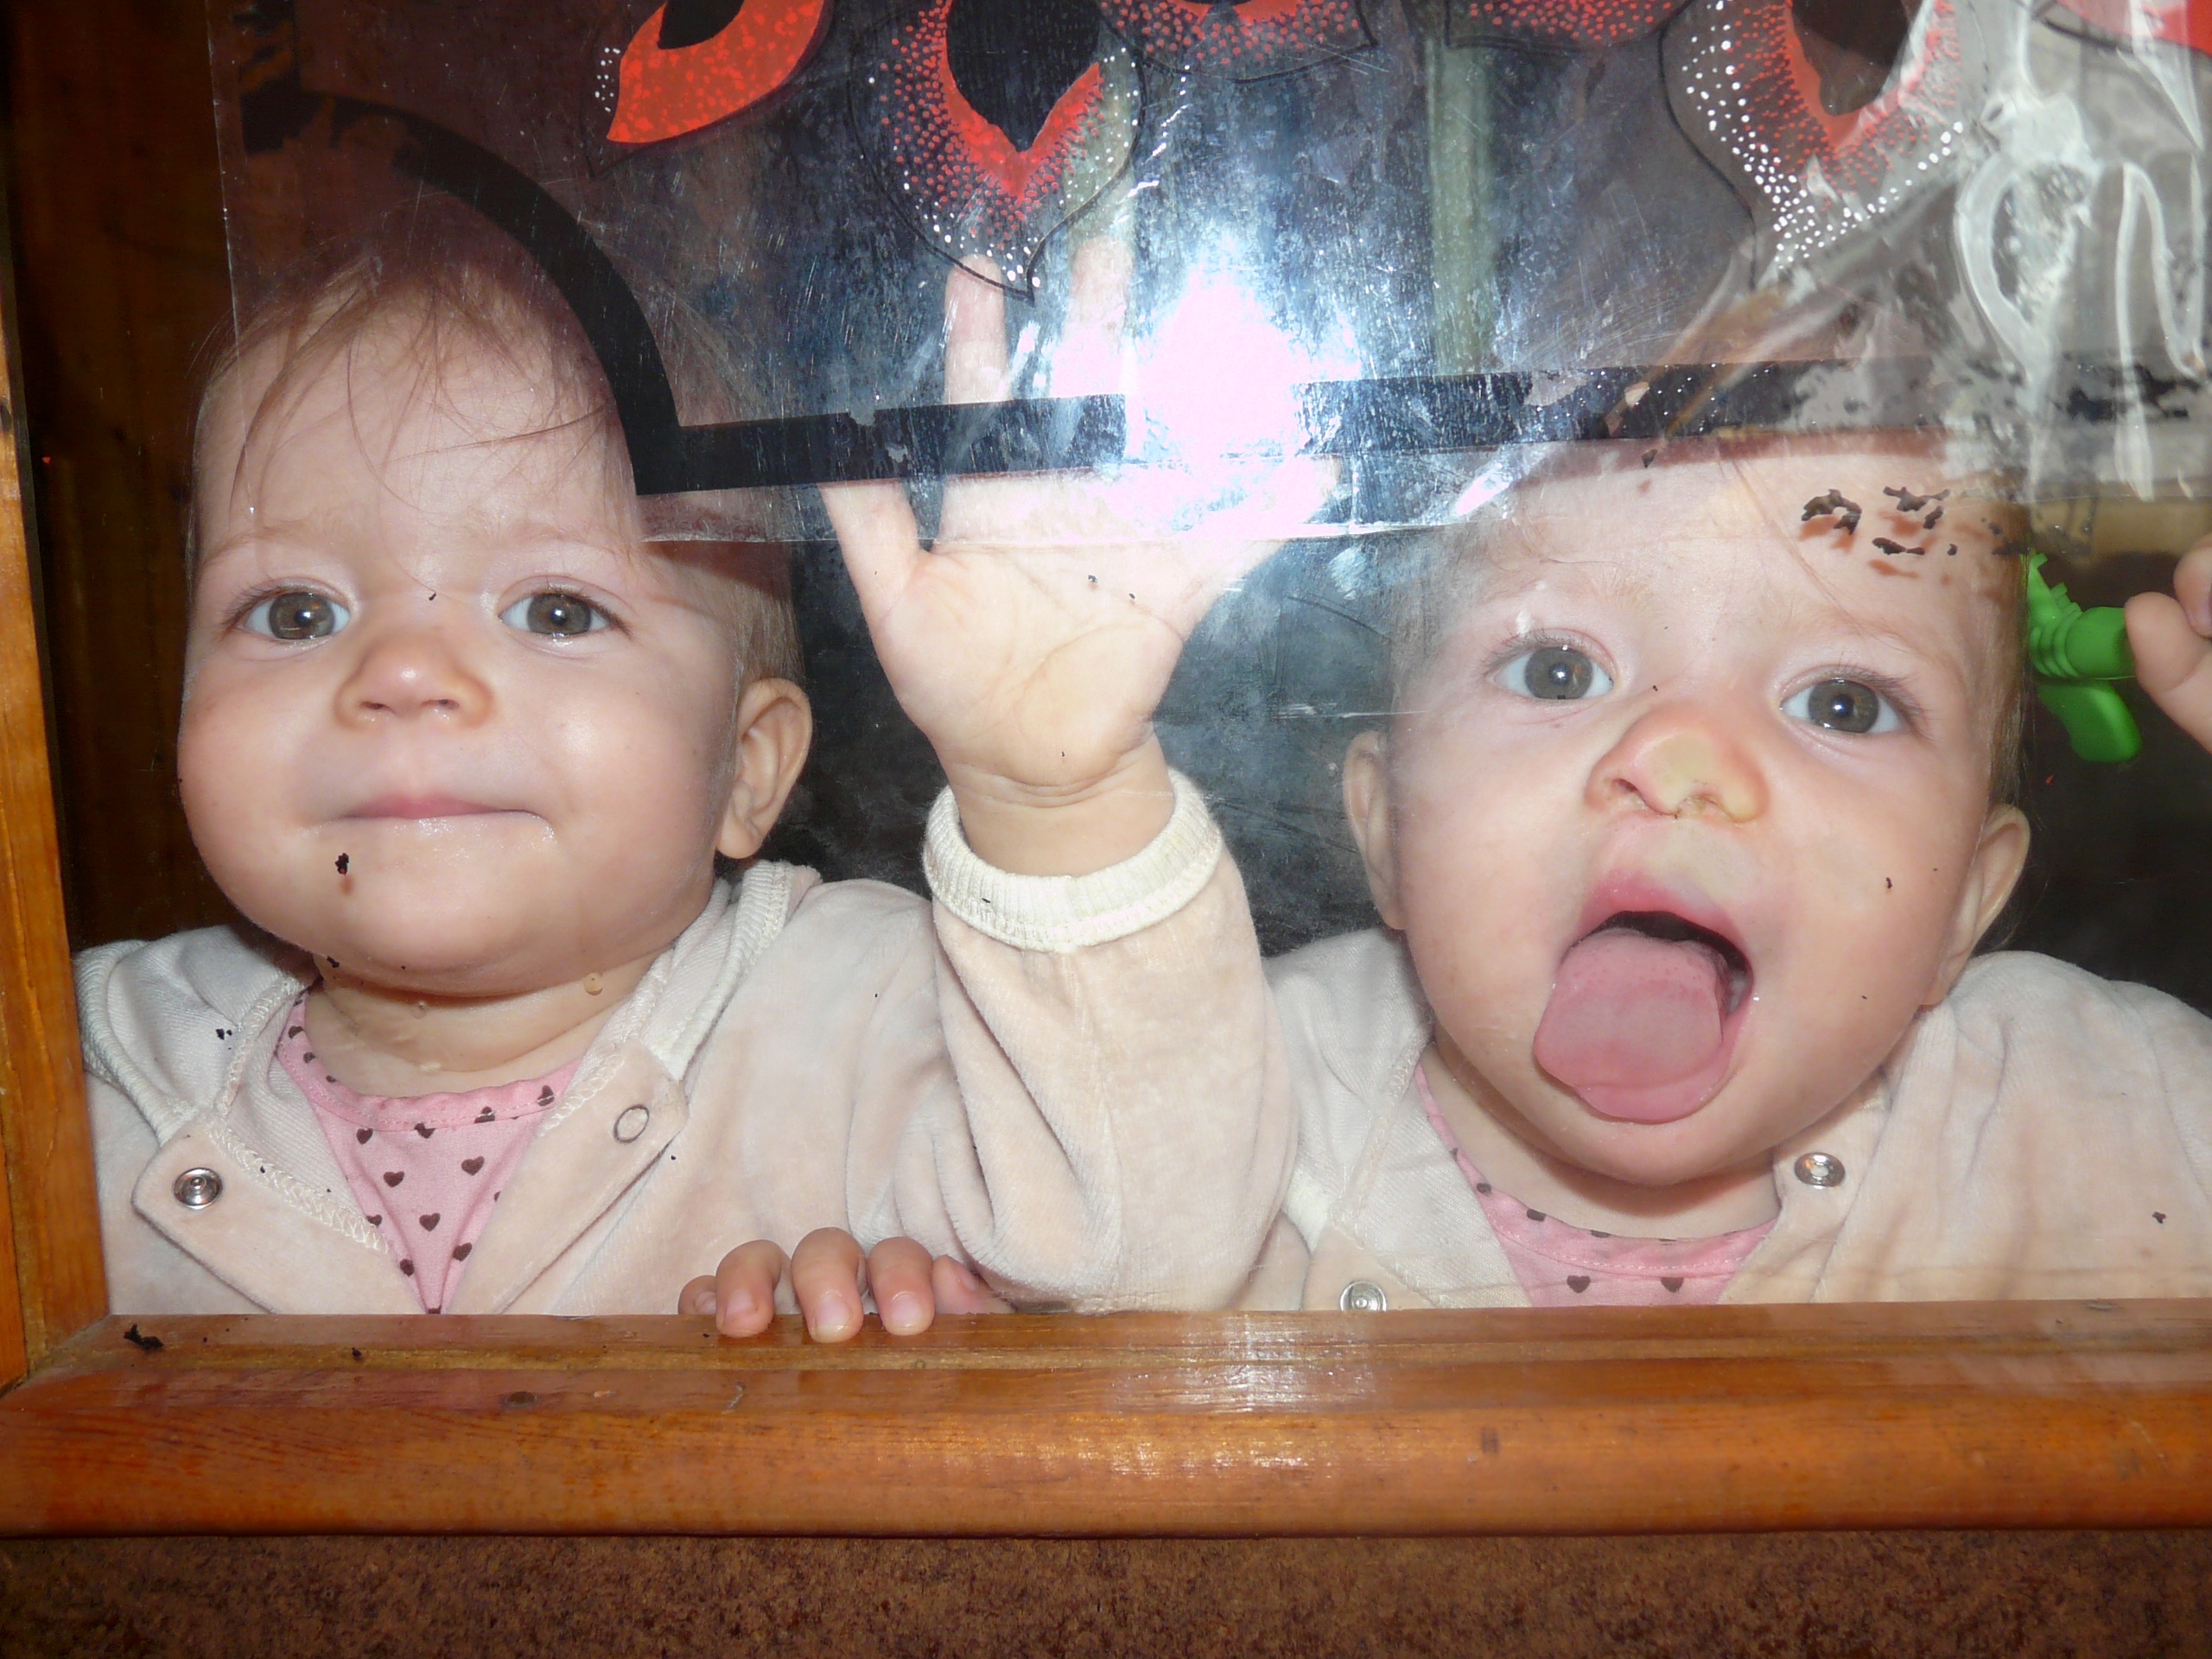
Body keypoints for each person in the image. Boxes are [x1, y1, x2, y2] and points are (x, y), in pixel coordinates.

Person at [77, 208, 1296, 1331]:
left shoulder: (880, 1016)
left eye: (556, 611)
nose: (401, 672)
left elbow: (1145, 1256)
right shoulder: (80, 1069)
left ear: (746, 771)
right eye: (296, 613)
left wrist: (1052, 796)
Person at [1245, 431, 2212, 1308]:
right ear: (1387, 831)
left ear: (1965, 899)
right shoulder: (1251, 1088)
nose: (1681, 762)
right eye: (1557, 672)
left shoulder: (2091, 1109)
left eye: (1841, 705)